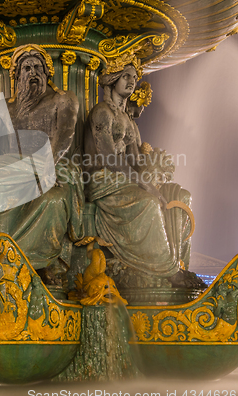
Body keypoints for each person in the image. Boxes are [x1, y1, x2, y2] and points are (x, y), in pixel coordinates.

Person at [83, 53, 205, 289]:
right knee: (148, 202)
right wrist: (144, 183)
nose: (132, 81)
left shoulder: (128, 122)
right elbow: (108, 157)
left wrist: (155, 177)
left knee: (178, 196)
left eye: (134, 77)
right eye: (126, 76)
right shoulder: (102, 112)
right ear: (112, 80)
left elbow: (136, 161)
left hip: (122, 178)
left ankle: (178, 263)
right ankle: (167, 271)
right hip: (101, 179)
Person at [0, 45, 84, 281]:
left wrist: (47, 169)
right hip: (13, 167)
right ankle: (1, 254)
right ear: (16, 76)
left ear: (47, 73)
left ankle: (40, 263)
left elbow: (65, 135)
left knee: (52, 200)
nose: (32, 72)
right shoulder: (7, 109)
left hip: (53, 163)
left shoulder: (63, 100)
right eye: (26, 68)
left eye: (38, 67)